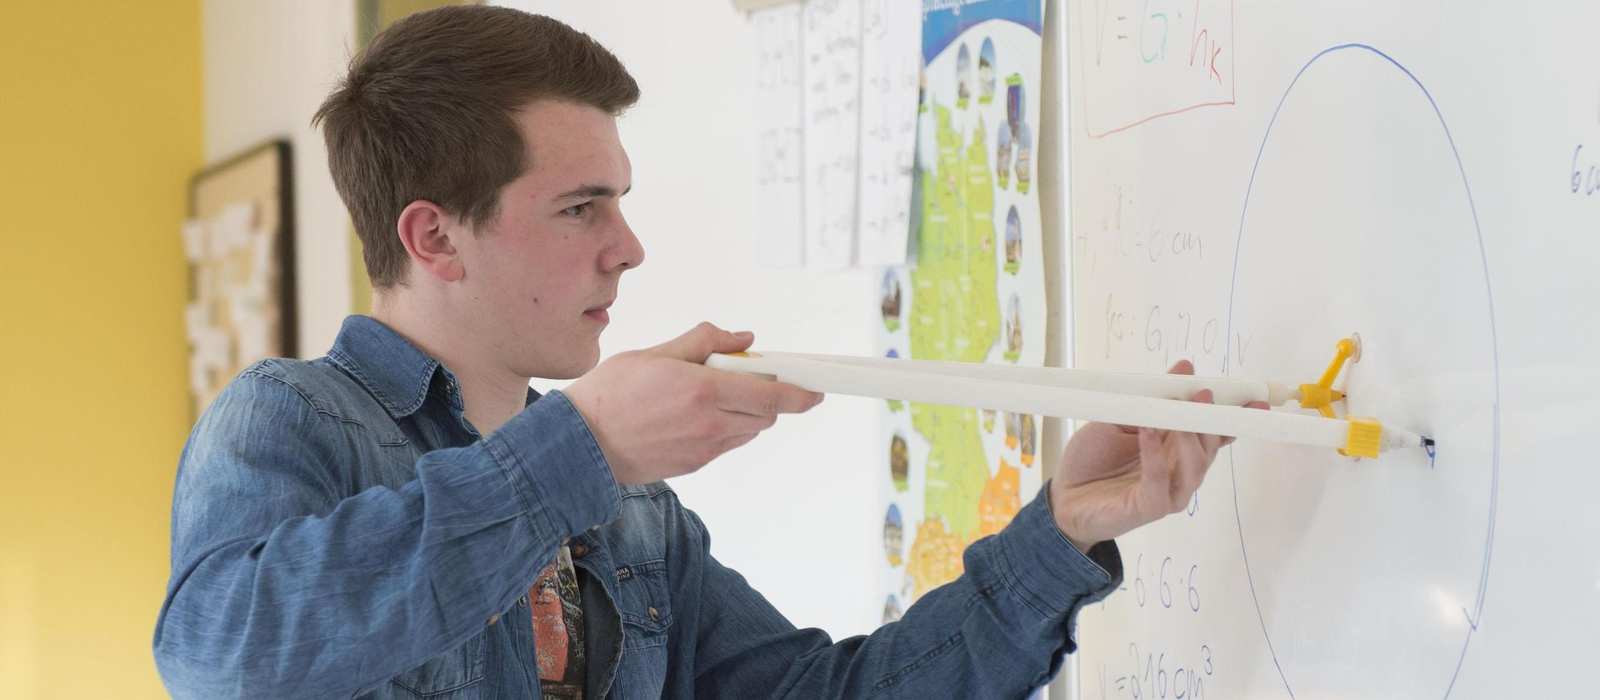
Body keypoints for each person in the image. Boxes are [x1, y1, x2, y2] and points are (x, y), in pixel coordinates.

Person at [152, 7, 1257, 698]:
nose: (627, 250)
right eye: (581, 208)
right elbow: (220, 661)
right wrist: (577, 447)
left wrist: (1057, 533)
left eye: (619, 204)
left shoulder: (630, 516)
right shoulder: (290, 418)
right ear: (434, 234)